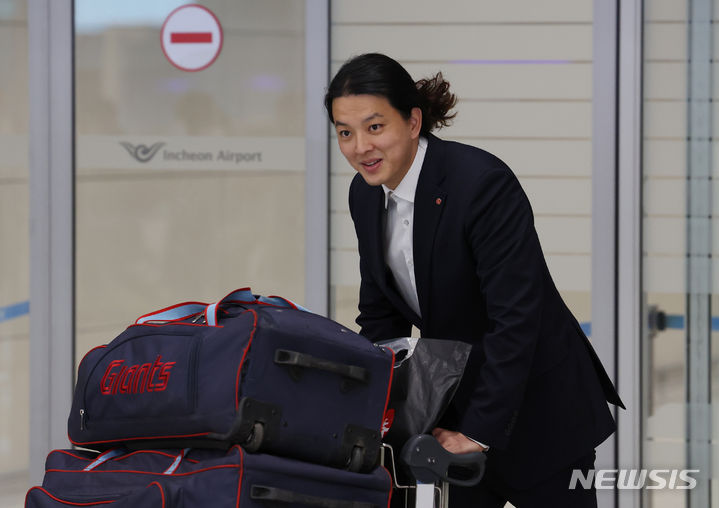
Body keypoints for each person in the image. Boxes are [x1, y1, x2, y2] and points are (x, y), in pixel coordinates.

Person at [324, 53, 625, 507]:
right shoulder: (365, 194)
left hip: (539, 409)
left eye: (375, 127)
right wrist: (380, 419)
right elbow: (381, 316)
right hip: (454, 413)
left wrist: (478, 433)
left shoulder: (480, 183)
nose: (360, 146)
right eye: (345, 133)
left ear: (412, 121)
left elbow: (517, 320)